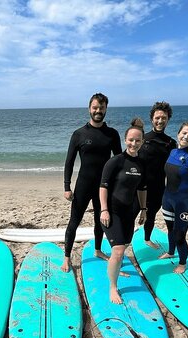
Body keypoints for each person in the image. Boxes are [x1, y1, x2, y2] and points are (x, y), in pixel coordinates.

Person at [62, 93, 122, 272]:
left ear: (106, 110)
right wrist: (67, 186)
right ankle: (66, 257)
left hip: (103, 186)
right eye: (95, 107)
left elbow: (119, 161)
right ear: (89, 108)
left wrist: (118, 184)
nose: (98, 111)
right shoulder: (79, 134)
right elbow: (69, 162)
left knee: (100, 220)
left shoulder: (112, 134)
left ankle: (97, 250)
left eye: (101, 108)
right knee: (74, 221)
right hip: (83, 185)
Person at [99, 118, 148, 304]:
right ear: (125, 140)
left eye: (137, 140)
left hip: (130, 211)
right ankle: (113, 287)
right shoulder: (116, 162)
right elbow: (103, 186)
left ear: (142, 142)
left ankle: (116, 267)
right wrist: (104, 210)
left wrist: (143, 209)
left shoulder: (142, 164)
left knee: (124, 245)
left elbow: (142, 189)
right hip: (111, 211)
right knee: (118, 250)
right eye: (130, 140)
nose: (133, 143)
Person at [160, 122, 188, 274]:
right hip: (167, 199)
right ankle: (171, 252)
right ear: (178, 133)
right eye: (184, 133)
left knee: (180, 235)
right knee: (170, 229)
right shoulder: (172, 152)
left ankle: (183, 263)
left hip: (184, 202)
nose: (186, 136)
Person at [138, 101, 177, 248]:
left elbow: (173, 168)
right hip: (138, 186)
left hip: (159, 186)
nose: (160, 121)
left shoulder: (171, 143)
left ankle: (147, 239)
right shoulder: (143, 139)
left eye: (164, 118)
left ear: (168, 119)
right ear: (151, 119)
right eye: (157, 117)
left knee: (151, 215)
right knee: (131, 215)